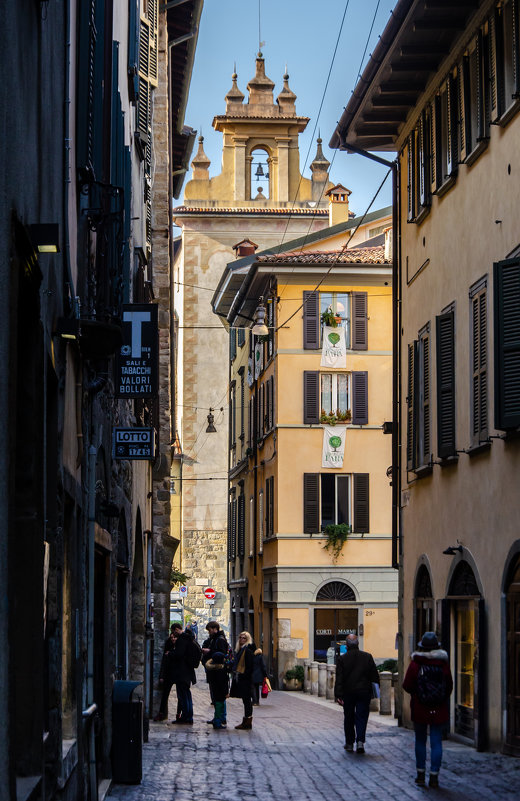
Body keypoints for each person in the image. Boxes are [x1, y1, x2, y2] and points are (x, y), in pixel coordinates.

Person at [403, 631, 453, 788]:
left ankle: (420, 774)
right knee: (436, 742)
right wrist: (440, 698)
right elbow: (449, 686)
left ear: (422, 647)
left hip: (420, 707)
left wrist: (419, 694)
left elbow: (407, 685)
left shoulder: (416, 663)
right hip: (439, 708)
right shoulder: (443, 664)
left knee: (420, 740)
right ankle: (434, 776)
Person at [334, 633, 379, 754]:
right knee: (362, 717)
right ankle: (360, 741)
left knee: (348, 717)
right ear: (358, 644)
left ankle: (349, 743)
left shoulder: (342, 659)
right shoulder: (367, 657)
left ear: (347, 645)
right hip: (364, 692)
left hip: (348, 693)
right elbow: (374, 676)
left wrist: (338, 695)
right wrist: (374, 692)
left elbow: (339, 679)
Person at [168, 622, 197, 724]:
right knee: (187, 695)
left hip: (182, 672)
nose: (173, 634)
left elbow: (179, 654)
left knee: (183, 696)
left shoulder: (182, 639)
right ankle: (189, 717)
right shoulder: (189, 638)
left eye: (173, 631)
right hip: (188, 672)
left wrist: (170, 653)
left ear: (176, 629)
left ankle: (186, 717)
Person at [154, 627, 179, 721]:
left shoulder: (179, 648)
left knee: (180, 695)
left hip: (177, 673)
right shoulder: (168, 647)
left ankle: (178, 714)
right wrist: (162, 676)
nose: (173, 639)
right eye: (172, 637)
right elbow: (164, 662)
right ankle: (161, 713)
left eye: (175, 637)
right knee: (165, 694)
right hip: (169, 673)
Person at [232, 631, 254, 730]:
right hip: (241, 677)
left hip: (246, 679)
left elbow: (249, 666)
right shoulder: (240, 650)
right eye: (240, 637)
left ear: (248, 639)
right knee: (245, 700)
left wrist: (245, 676)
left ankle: (247, 722)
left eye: (244, 638)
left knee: (247, 700)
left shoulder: (247, 650)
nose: (241, 639)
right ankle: (246, 721)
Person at [204, 651, 229, 729]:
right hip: (221, 692)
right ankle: (217, 722)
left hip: (215, 691)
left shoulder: (211, 669)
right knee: (219, 706)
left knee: (217, 705)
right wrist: (226, 692)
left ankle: (217, 720)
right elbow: (224, 683)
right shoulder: (221, 670)